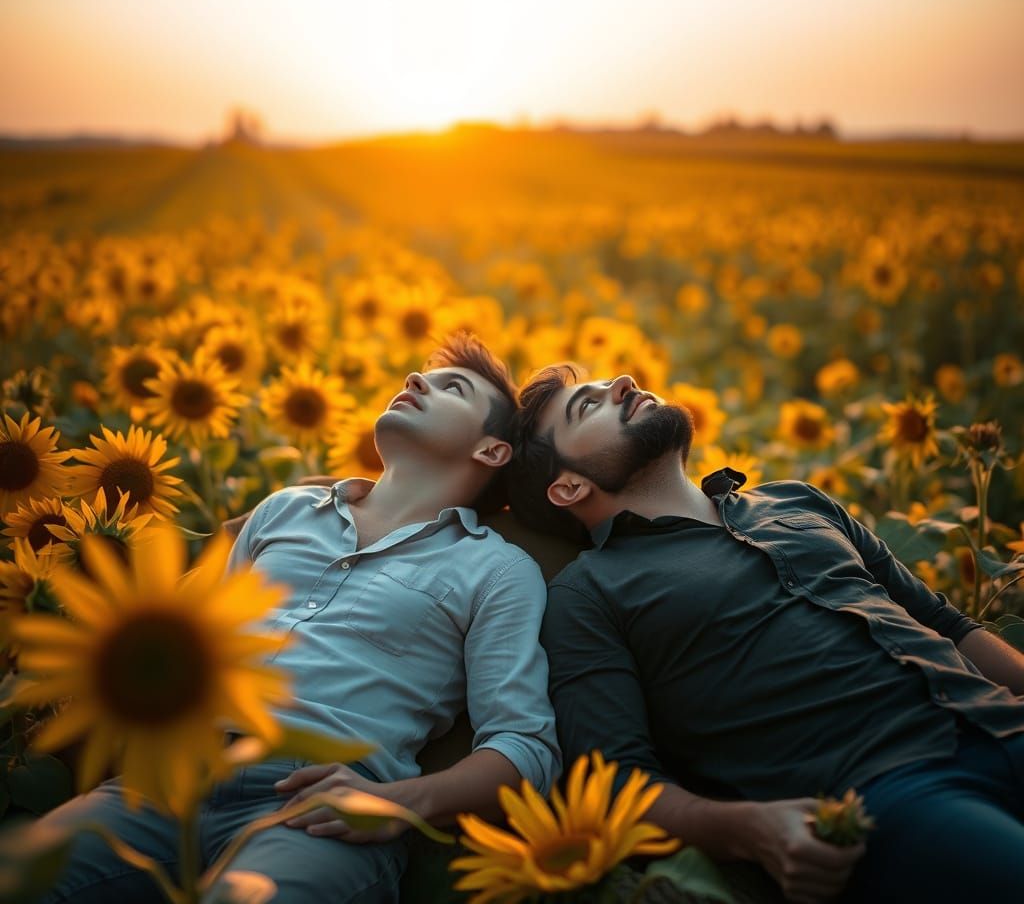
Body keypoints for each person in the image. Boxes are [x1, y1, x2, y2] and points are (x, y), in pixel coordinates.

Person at [37, 333, 560, 904]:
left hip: (314, 812)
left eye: (450, 388)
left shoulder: (496, 568)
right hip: (165, 784)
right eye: (419, 376)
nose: (413, 382)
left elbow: (525, 745)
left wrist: (401, 801)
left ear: (491, 451)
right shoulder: (282, 510)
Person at [508, 365, 1024, 904]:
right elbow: (619, 785)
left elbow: (945, 623)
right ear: (569, 486)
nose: (622, 381)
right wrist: (755, 831)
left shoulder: (798, 501)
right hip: (895, 794)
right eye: (586, 407)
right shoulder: (588, 593)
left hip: (1001, 718)